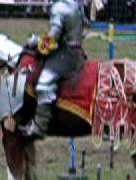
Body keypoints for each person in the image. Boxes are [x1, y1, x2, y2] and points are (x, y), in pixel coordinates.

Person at [20, 0, 87, 139]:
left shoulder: (59, 8)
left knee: (44, 84)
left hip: (67, 54)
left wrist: (36, 44)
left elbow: (52, 38)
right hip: (73, 49)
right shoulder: (72, 3)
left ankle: (39, 126)